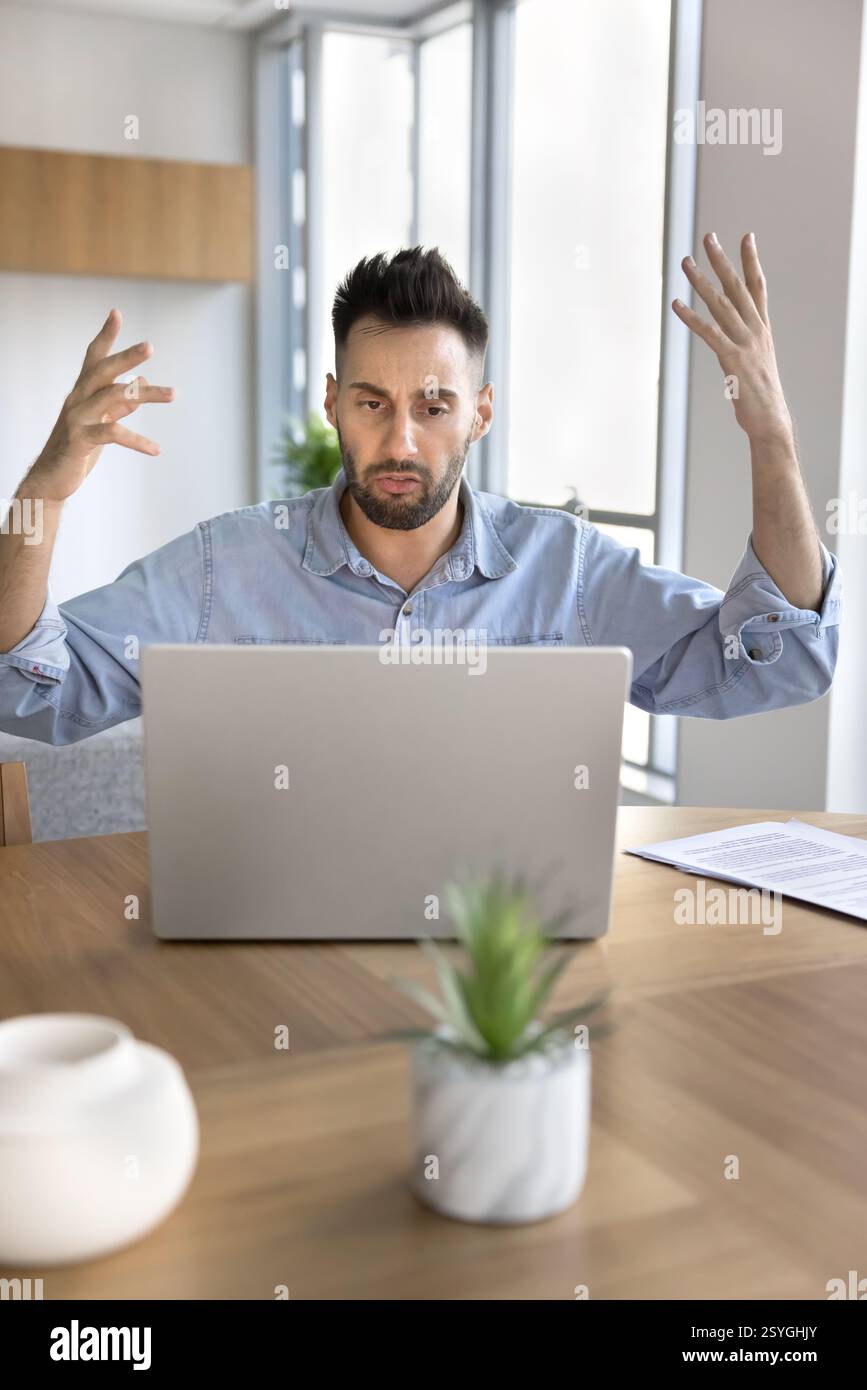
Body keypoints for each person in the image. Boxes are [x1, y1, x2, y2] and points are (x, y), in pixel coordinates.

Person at [0, 241, 840, 745]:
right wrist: (43, 494)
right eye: (371, 403)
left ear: (478, 413)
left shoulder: (568, 569)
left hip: (505, 956)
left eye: (432, 407)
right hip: (273, 944)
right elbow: (31, 694)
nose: (400, 441)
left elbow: (777, 662)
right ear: (332, 402)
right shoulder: (225, 567)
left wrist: (773, 440)